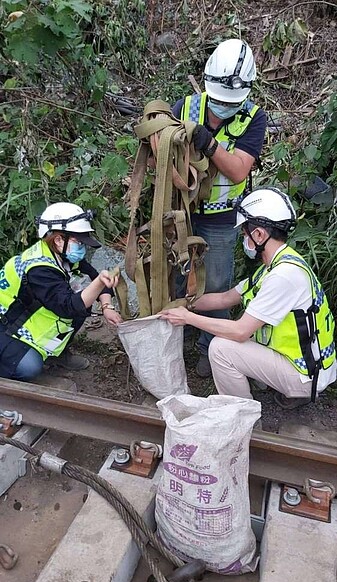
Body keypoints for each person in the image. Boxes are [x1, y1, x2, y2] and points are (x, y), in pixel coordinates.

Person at [161, 187, 337, 409]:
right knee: (233, 342)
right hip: (309, 363)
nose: (244, 239)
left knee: (221, 349)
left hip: (306, 374)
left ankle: (243, 417)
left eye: (245, 234)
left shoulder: (283, 276)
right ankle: (278, 387)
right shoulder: (278, 264)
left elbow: (240, 330)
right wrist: (182, 304)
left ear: (260, 234)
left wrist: (188, 318)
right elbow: (225, 298)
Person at [172, 38, 267, 377]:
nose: (223, 107)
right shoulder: (184, 107)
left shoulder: (253, 118)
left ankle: (208, 347)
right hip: (181, 212)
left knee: (215, 283)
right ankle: (175, 333)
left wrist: (209, 144)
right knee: (175, 275)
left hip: (222, 217)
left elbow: (240, 168)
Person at [0, 202, 122, 382]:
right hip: (8, 326)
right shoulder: (39, 269)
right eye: (79, 242)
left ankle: (56, 354)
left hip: (32, 318)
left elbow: (96, 279)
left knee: (82, 303)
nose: (83, 247)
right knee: (29, 367)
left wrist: (107, 306)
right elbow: (69, 306)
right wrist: (98, 283)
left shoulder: (63, 256)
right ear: (58, 239)